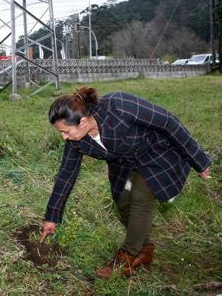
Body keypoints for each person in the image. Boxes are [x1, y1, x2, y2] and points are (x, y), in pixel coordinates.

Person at [40, 87, 211, 279]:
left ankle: (126, 257)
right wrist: (52, 217)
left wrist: (199, 160)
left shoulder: (119, 106)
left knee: (140, 197)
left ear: (83, 122)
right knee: (122, 201)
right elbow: (66, 174)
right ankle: (144, 250)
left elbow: (168, 122)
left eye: (65, 131)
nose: (64, 137)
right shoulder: (76, 140)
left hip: (157, 152)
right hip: (124, 164)